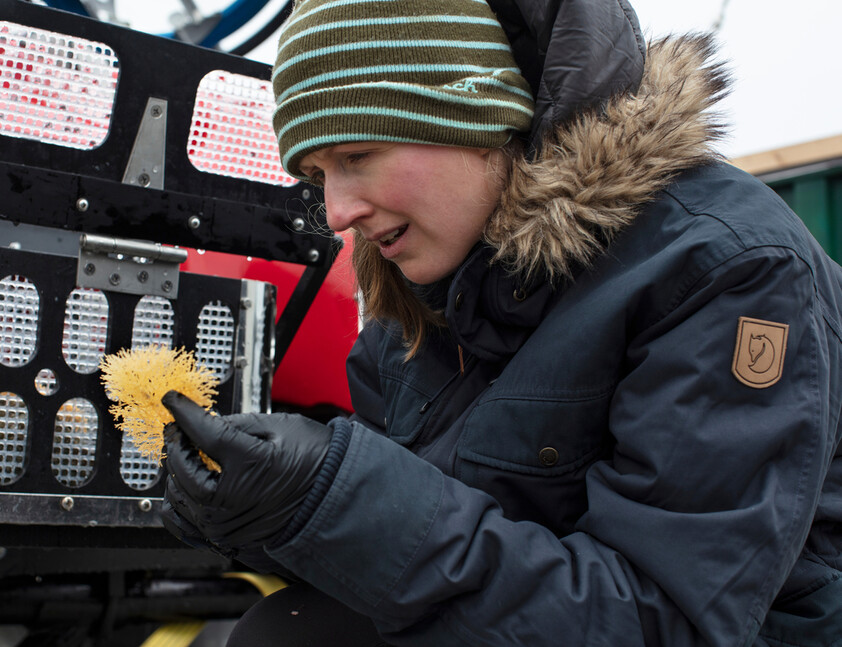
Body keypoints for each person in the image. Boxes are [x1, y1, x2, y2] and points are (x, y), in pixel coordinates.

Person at [159, 0, 842, 644]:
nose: (335, 212)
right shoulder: (417, 309)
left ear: (474, 113)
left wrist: (332, 498)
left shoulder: (726, 270)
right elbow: (414, 561)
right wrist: (262, 511)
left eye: (356, 157)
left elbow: (663, 621)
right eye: (316, 175)